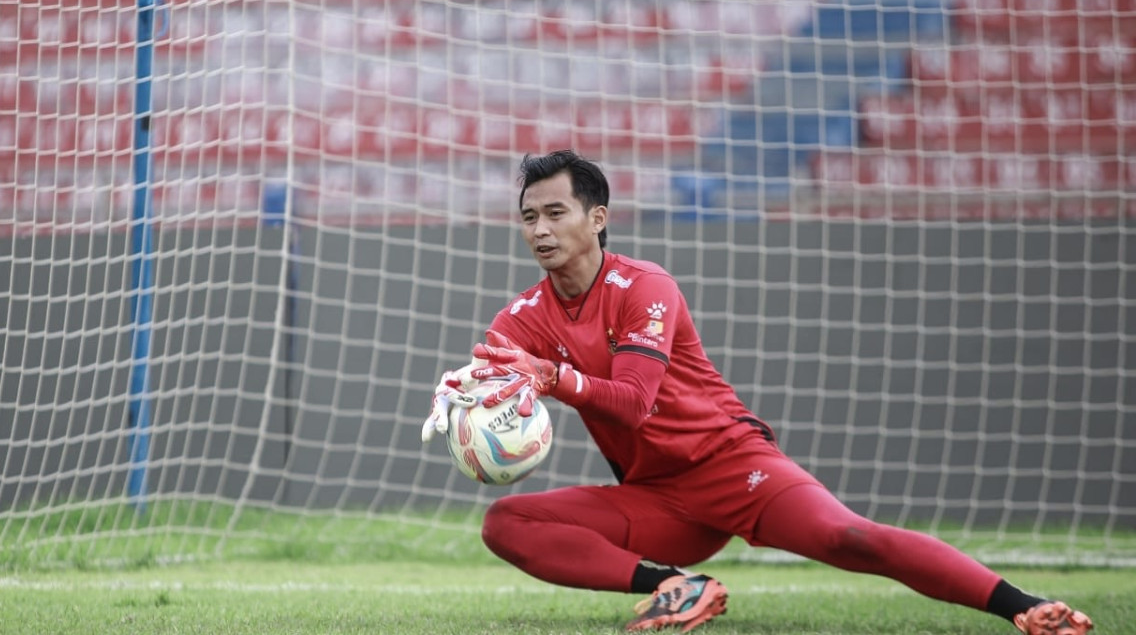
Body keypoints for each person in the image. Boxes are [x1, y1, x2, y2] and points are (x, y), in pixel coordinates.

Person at [421, 150, 1094, 635]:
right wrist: (467, 397)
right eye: (529, 215)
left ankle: (1023, 606)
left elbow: (632, 400)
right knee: (508, 523)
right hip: (659, 497)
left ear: (597, 217)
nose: (539, 228)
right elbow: (497, 369)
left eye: (555, 212)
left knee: (850, 536)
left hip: (733, 462)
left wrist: (554, 378)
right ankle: (677, 588)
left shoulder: (645, 286)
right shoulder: (525, 314)